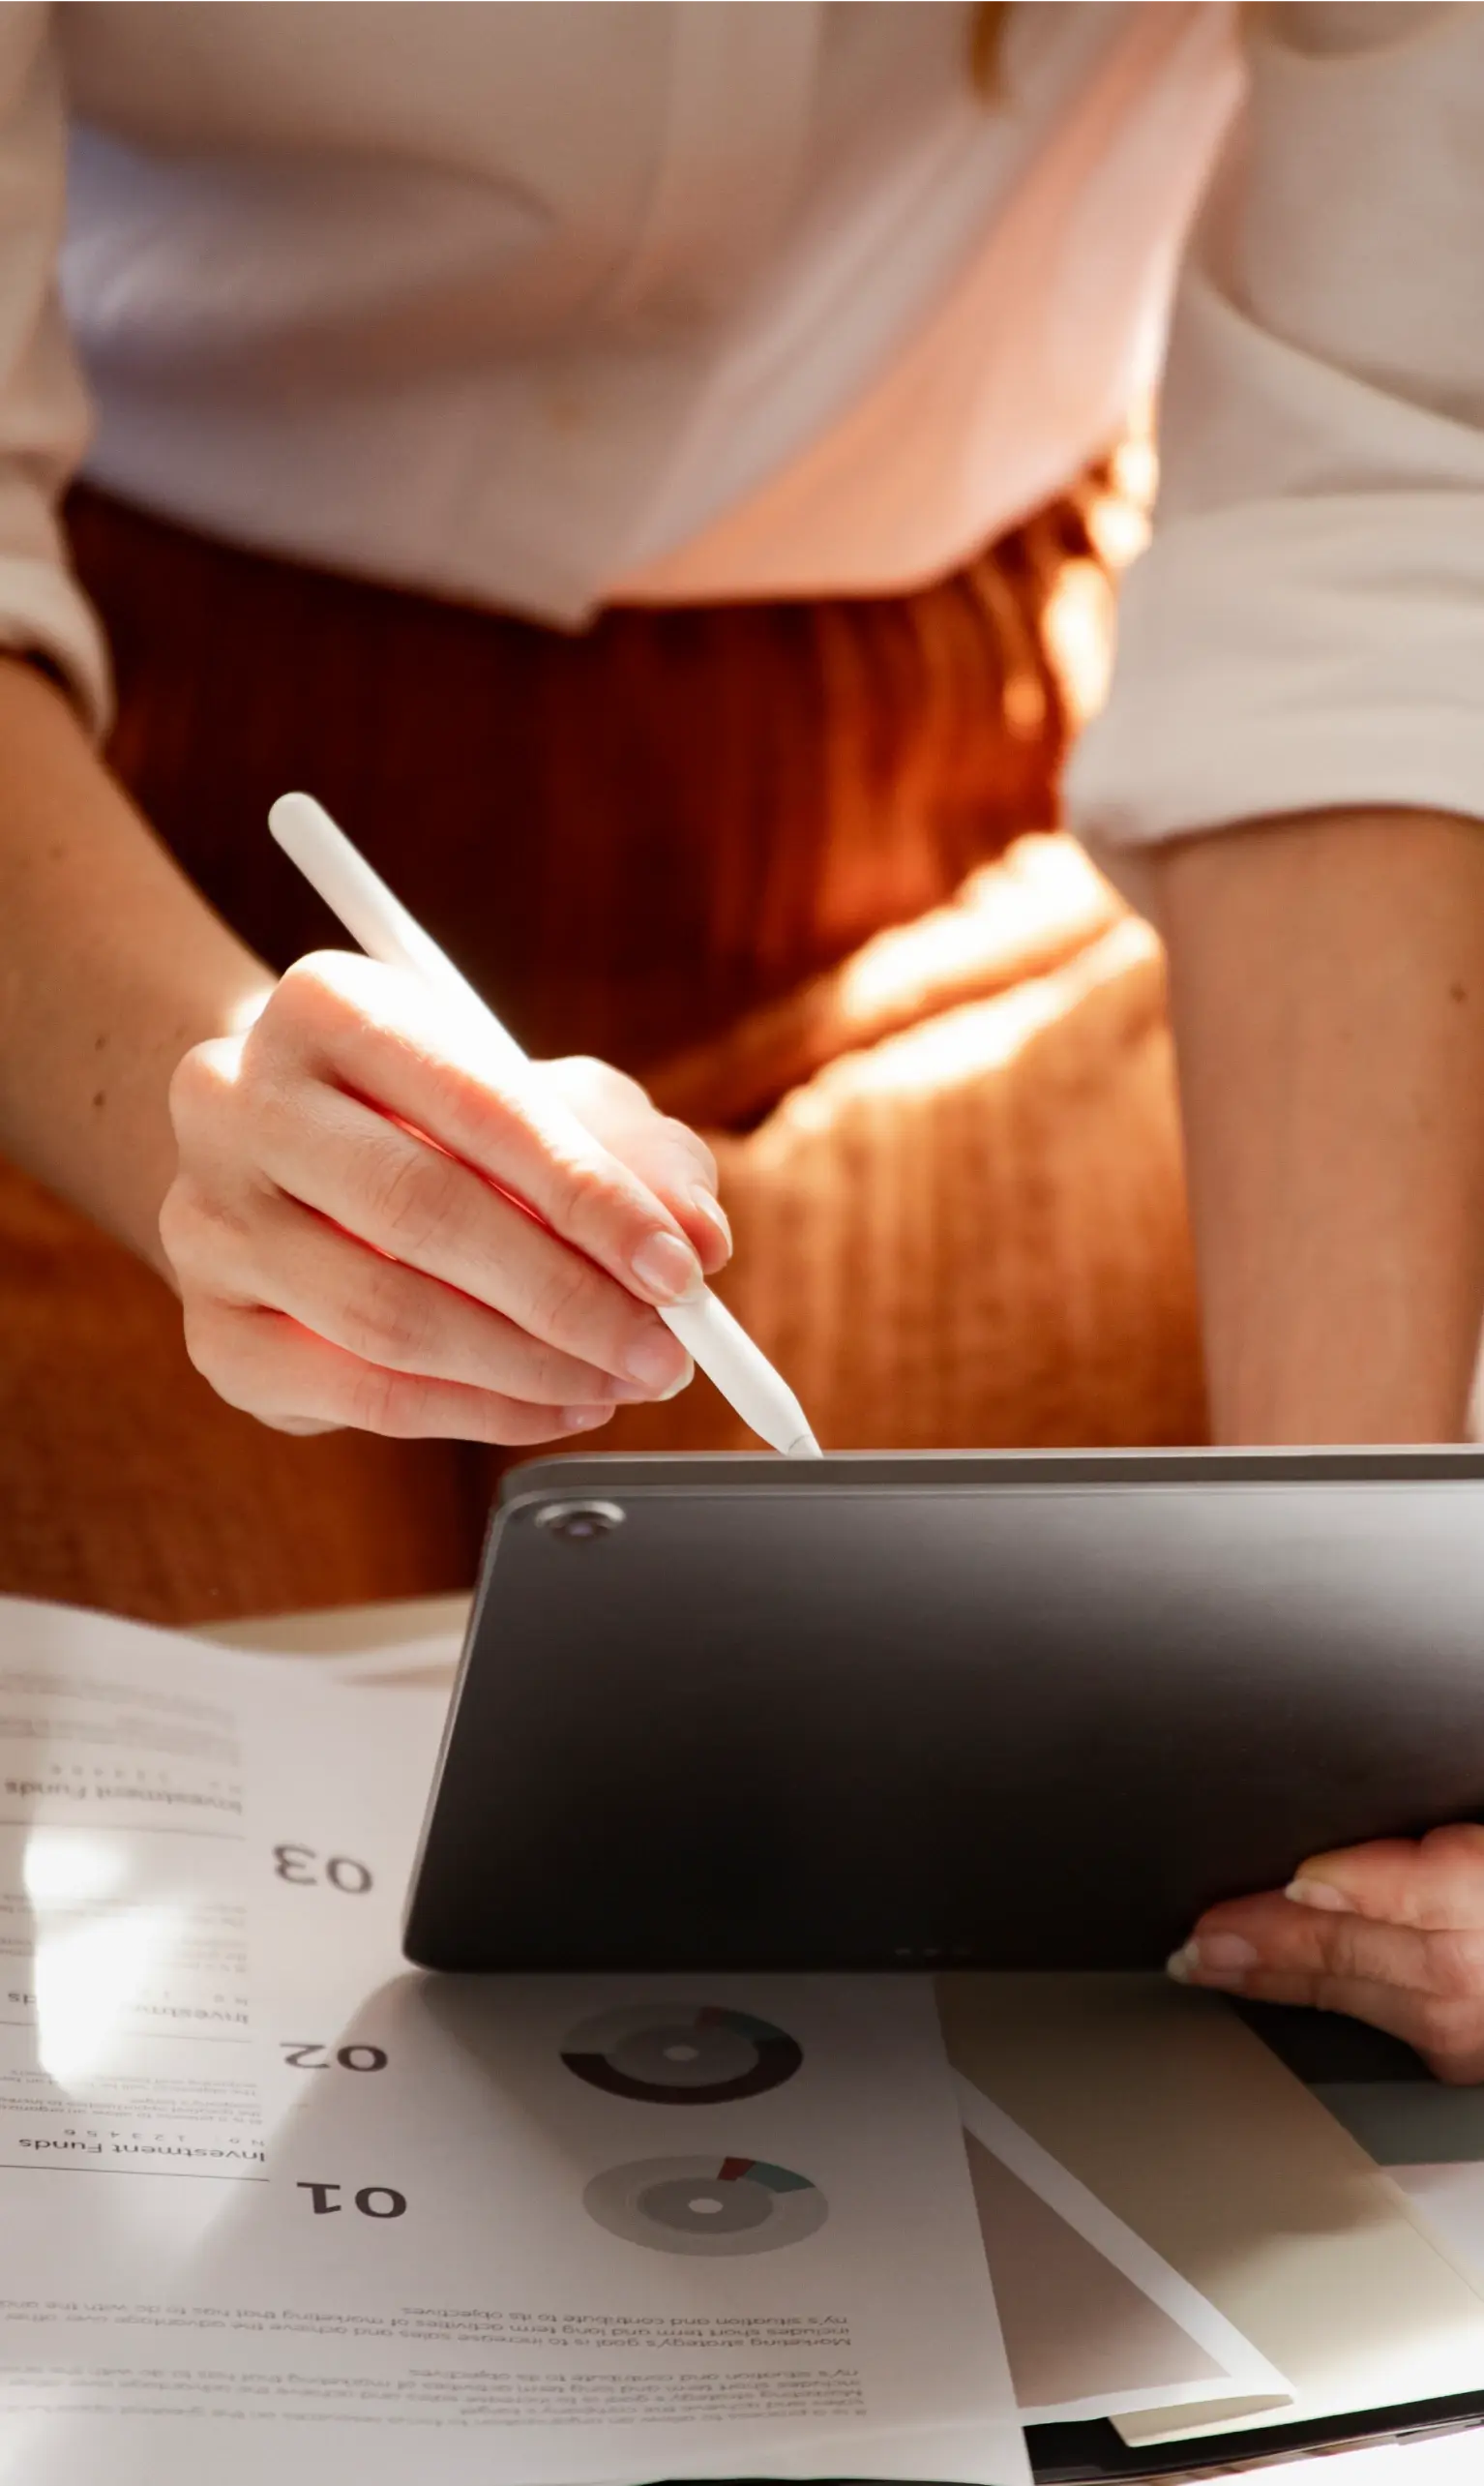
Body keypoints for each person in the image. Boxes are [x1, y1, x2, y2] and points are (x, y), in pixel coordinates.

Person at [2, 0, 1484, 2068]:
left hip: (1016, 835)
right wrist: (180, 1102)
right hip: (87, 847)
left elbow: (1388, 485)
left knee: (1091, 1944)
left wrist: (1369, 1700)